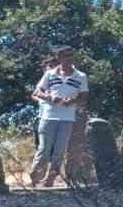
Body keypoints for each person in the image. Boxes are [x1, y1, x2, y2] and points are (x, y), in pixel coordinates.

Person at [28, 45, 88, 187]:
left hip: (67, 118)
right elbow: (37, 92)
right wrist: (51, 98)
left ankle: (50, 179)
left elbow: (84, 96)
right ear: (59, 57)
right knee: (44, 149)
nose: (69, 58)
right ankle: (35, 178)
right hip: (48, 116)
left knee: (60, 151)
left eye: (71, 55)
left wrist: (72, 101)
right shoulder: (49, 74)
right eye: (66, 55)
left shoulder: (81, 76)